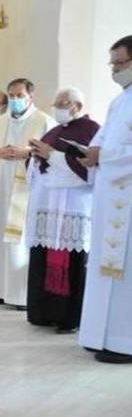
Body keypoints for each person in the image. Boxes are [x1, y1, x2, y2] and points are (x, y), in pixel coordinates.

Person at [25, 87, 99, 333]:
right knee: (43, 256)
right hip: (48, 205)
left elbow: (89, 171)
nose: (57, 108)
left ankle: (68, 317)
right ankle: (43, 312)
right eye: (55, 104)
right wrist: (35, 157)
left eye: (62, 104)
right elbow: (39, 167)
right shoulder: (54, 131)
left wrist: (52, 155)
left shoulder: (91, 131)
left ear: (77, 106)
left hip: (73, 206)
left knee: (73, 260)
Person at [78, 35, 132, 363]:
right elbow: (101, 142)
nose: (114, 70)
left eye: (120, 63)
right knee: (105, 266)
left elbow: (113, 151)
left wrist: (104, 156)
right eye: (112, 64)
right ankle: (100, 334)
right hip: (110, 197)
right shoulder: (119, 101)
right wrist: (90, 154)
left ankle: (125, 341)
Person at [0, 78, 53, 309]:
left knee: (20, 241)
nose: (14, 100)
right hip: (1, 187)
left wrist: (27, 152)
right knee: (0, 236)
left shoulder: (44, 121)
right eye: (11, 96)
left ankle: (20, 296)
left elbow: (53, 154)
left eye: (19, 95)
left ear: (31, 97)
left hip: (27, 190)